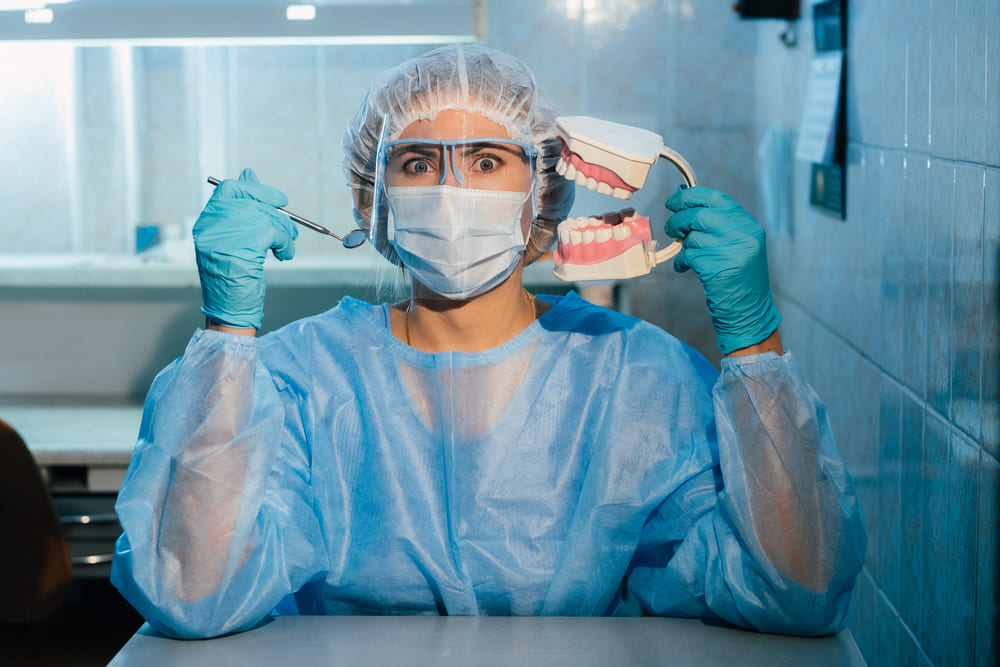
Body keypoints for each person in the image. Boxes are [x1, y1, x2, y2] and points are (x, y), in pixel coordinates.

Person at [111, 44, 866, 640]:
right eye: (417, 162)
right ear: (374, 201)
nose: (451, 190)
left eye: (485, 160)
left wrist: (755, 343)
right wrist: (227, 331)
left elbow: (797, 590)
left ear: (541, 189)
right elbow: (192, 591)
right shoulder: (299, 378)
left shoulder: (635, 377)